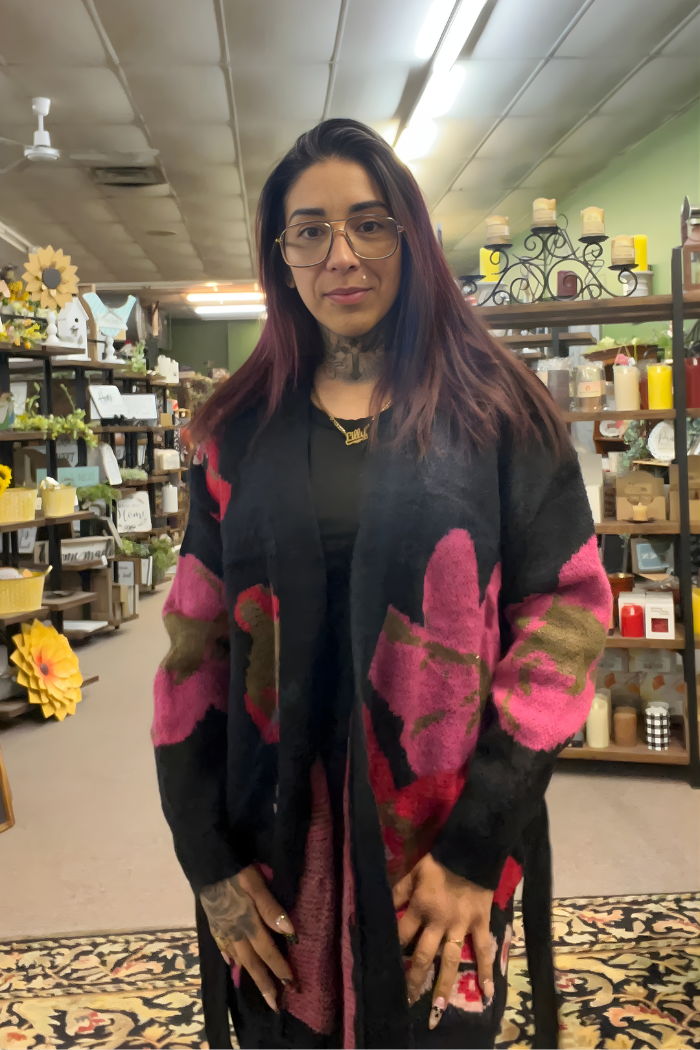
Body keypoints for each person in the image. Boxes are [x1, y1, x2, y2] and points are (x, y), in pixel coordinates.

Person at [153, 118, 611, 1050]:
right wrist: (206, 856)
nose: (342, 254)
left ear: (411, 233)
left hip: (438, 863)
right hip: (275, 849)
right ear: (281, 258)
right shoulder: (238, 432)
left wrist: (478, 847)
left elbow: (566, 620)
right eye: (309, 231)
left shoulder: (498, 411)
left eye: (369, 222)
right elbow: (193, 649)